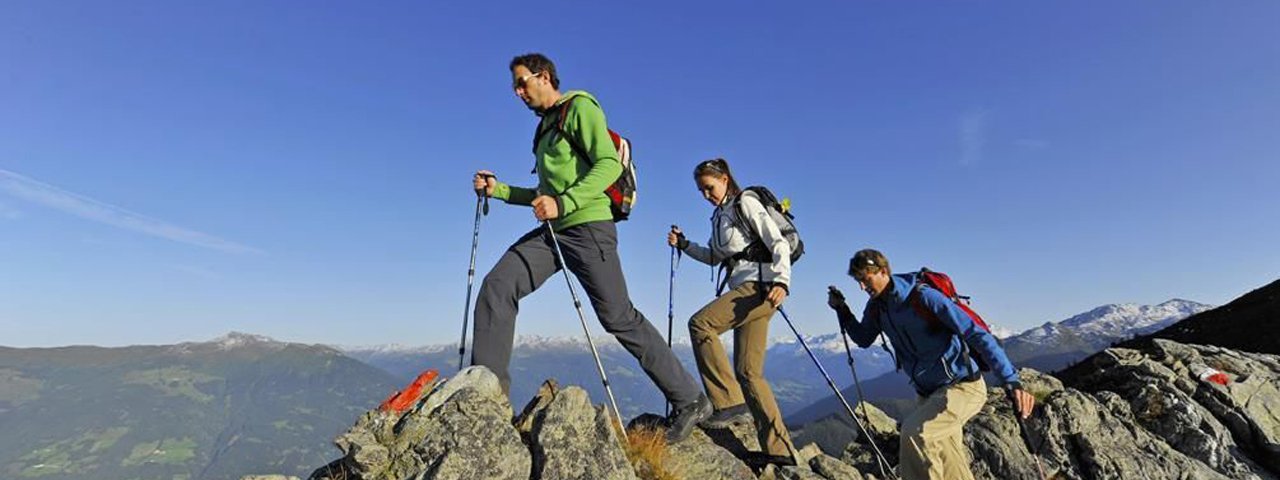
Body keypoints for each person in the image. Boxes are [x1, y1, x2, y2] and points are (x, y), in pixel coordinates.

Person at [471, 53, 710, 442]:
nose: (517, 92)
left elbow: (608, 165)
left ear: (544, 76)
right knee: (498, 285)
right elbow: (544, 194)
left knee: (618, 317)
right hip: (554, 232)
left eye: (521, 82)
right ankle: (487, 402)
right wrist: (497, 190)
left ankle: (690, 399)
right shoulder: (545, 128)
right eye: (514, 86)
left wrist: (563, 203)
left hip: (588, 228)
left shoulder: (579, 108)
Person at [829, 248, 1036, 480]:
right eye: (858, 281)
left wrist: (1011, 381)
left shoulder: (923, 297)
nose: (862, 287)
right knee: (950, 462)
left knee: (916, 433)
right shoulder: (878, 307)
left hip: (962, 387)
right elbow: (864, 338)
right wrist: (843, 310)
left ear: (883, 271)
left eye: (865, 279)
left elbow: (977, 334)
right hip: (928, 395)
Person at [668, 158, 798, 467]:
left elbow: (777, 241)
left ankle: (727, 401)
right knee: (749, 373)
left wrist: (782, 280)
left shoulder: (746, 202)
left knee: (700, 324)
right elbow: (715, 257)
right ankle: (780, 451)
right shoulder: (720, 215)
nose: (706, 195)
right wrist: (684, 245)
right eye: (701, 191)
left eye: (709, 188)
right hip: (750, 291)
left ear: (725, 179)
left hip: (760, 288)